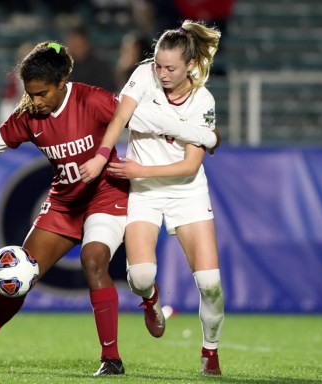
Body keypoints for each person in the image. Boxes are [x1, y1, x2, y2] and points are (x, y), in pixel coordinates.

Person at [0, 41, 130, 376]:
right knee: (18, 277)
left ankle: (111, 359)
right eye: (30, 94)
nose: (35, 101)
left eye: (42, 93)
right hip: (64, 203)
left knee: (94, 261)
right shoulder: (29, 116)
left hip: (105, 196)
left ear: (62, 83)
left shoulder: (92, 99)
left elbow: (138, 116)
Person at [79, 20, 225, 376]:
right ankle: (151, 300)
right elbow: (120, 116)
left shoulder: (203, 99)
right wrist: (101, 155)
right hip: (145, 194)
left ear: (190, 65)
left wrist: (140, 171)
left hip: (185, 193)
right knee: (141, 277)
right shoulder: (144, 75)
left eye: (170, 68)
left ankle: (210, 351)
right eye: (158, 64)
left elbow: (190, 166)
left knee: (210, 285)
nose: (161, 73)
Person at [64, 26, 116, 92]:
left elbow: (107, 91)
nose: (74, 46)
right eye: (72, 43)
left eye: (78, 43)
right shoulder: (64, 67)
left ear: (86, 42)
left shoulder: (100, 65)